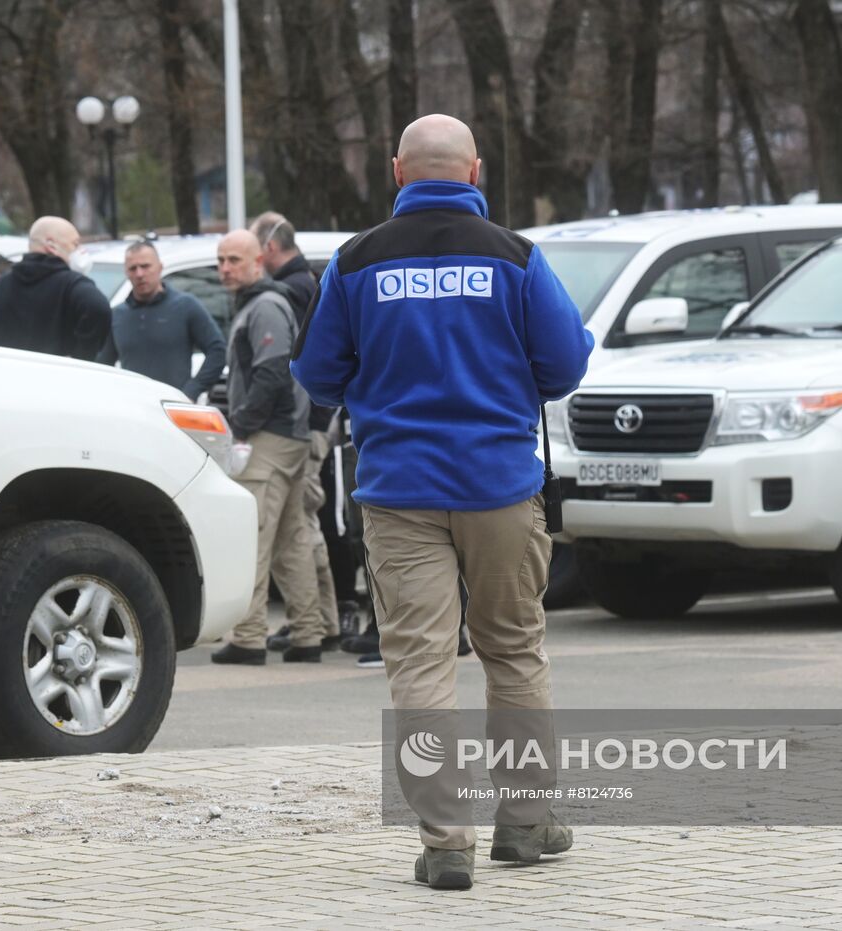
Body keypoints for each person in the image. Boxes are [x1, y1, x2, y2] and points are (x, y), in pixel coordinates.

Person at [291, 114, 594, 890]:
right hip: (500, 486)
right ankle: (525, 823)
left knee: (420, 664)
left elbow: (317, 374)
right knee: (513, 651)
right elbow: (565, 366)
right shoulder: (516, 256)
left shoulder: (356, 261)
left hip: (400, 492)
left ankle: (447, 842)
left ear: (397, 171)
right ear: (475, 171)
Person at [210, 230, 326, 665]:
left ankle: (249, 637)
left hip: (270, 439)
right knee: (291, 542)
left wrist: (240, 426)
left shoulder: (265, 306)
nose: (225, 268)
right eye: (221, 260)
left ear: (259, 260)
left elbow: (273, 373)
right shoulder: (262, 304)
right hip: (285, 436)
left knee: (253, 540)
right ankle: (308, 634)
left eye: (234, 260)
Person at [250, 213, 346, 654]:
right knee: (304, 523)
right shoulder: (308, 281)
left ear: (269, 248)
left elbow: (298, 363)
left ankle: (319, 620)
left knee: (300, 526)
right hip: (315, 421)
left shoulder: (290, 290)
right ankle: (322, 621)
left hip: (305, 424)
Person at [0, 216, 110, 360]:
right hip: (57, 384)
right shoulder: (71, 285)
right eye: (75, 244)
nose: (80, 251)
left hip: (10, 383)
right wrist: (81, 357)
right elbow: (98, 308)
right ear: (51, 245)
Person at [97, 240, 226, 400]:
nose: (139, 274)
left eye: (145, 266)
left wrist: (191, 392)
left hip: (173, 406)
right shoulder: (117, 315)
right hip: (133, 406)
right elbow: (103, 366)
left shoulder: (185, 306)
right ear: (126, 272)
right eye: (133, 268)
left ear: (160, 267)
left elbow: (217, 350)